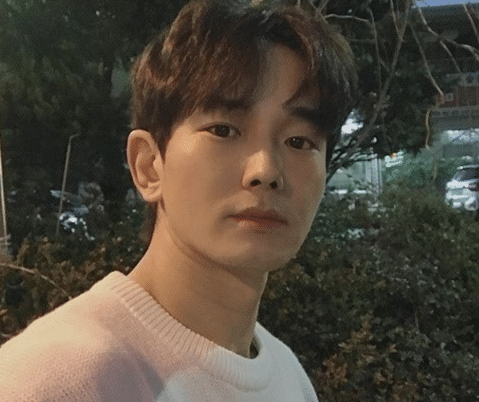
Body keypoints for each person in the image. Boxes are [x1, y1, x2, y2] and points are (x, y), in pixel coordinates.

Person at [0, 0, 357, 400]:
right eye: (223, 130)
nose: (266, 170)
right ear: (149, 166)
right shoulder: (54, 381)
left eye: (299, 141)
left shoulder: (289, 379)